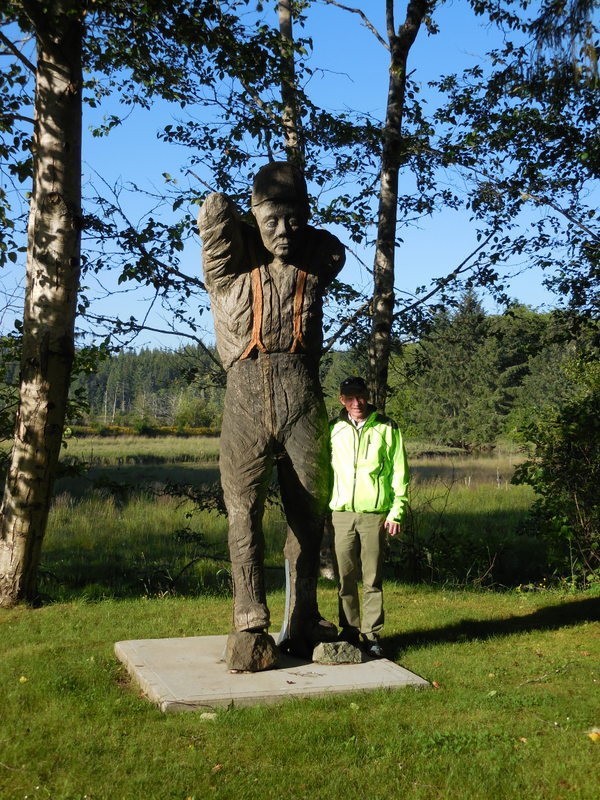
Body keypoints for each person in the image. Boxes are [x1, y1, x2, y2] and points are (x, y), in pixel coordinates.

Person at [198, 162, 345, 655]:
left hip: (301, 391)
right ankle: (249, 606)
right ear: (254, 220)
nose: (284, 232)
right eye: (272, 221)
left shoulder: (312, 262)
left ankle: (304, 611)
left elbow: (332, 250)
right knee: (243, 506)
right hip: (245, 392)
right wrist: (242, 221)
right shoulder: (229, 270)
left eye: (294, 221)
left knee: (309, 509)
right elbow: (215, 217)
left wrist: (296, 228)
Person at [329, 376, 409, 658]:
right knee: (345, 578)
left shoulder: (387, 428)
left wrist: (396, 511)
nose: (356, 403)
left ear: (367, 396)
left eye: (360, 396)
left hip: (375, 514)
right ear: (342, 400)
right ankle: (349, 631)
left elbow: (400, 471)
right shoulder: (334, 428)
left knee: (372, 578)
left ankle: (372, 634)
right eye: (349, 398)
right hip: (341, 513)